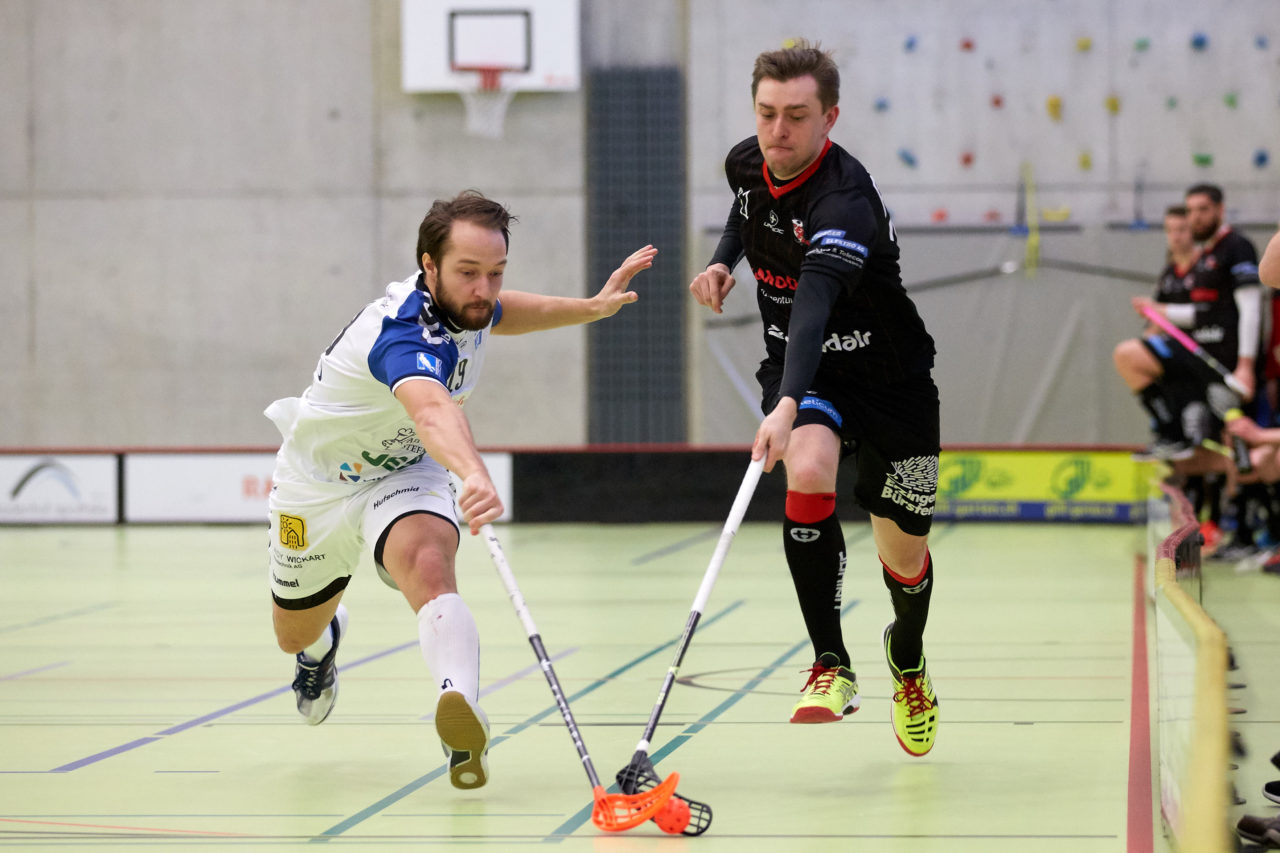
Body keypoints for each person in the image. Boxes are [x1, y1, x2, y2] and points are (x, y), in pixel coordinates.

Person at [265, 190, 656, 789]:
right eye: (468, 273)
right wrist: (474, 471)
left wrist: (593, 308)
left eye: (495, 273)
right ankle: (323, 645)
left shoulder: (471, 304)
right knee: (294, 632)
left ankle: (460, 704)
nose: (484, 289)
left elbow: (505, 314)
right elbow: (431, 412)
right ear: (429, 266)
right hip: (316, 488)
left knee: (428, 562)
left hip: (401, 473)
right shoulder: (402, 334)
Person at [689, 39, 940, 756]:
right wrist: (719, 261)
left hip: (894, 384)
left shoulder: (845, 201)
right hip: (810, 379)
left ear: (830, 117)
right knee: (805, 470)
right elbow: (749, 209)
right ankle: (831, 664)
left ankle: (909, 659)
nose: (778, 131)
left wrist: (784, 401)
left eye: (796, 116)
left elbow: (814, 303)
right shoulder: (748, 160)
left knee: (905, 556)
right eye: (767, 113)